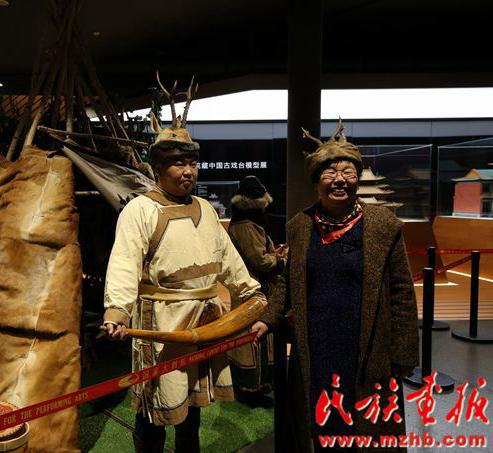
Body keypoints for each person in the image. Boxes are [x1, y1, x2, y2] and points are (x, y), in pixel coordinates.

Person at [102, 80, 266, 453]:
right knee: (155, 408)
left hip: (205, 321)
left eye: (192, 163)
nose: (188, 171)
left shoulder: (205, 208)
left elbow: (228, 259)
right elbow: (124, 263)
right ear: (158, 168)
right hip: (163, 324)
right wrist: (117, 311)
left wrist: (251, 294)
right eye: (178, 163)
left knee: (192, 409)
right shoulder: (140, 210)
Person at [251, 120, 418, 452]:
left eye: (348, 172)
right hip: (318, 347)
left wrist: (403, 352)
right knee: (324, 424)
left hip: (367, 348)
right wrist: (268, 318)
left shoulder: (383, 225)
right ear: (316, 180)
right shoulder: (300, 226)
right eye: (329, 172)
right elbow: (288, 281)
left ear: (357, 178)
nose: (339, 179)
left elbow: (402, 291)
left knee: (367, 430)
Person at [227, 176, 287, 404]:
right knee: (252, 337)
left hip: (254, 287)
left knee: (256, 336)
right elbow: (259, 260)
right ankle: (250, 389)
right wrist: (281, 261)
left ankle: (257, 385)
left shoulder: (247, 223)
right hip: (252, 289)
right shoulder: (246, 225)